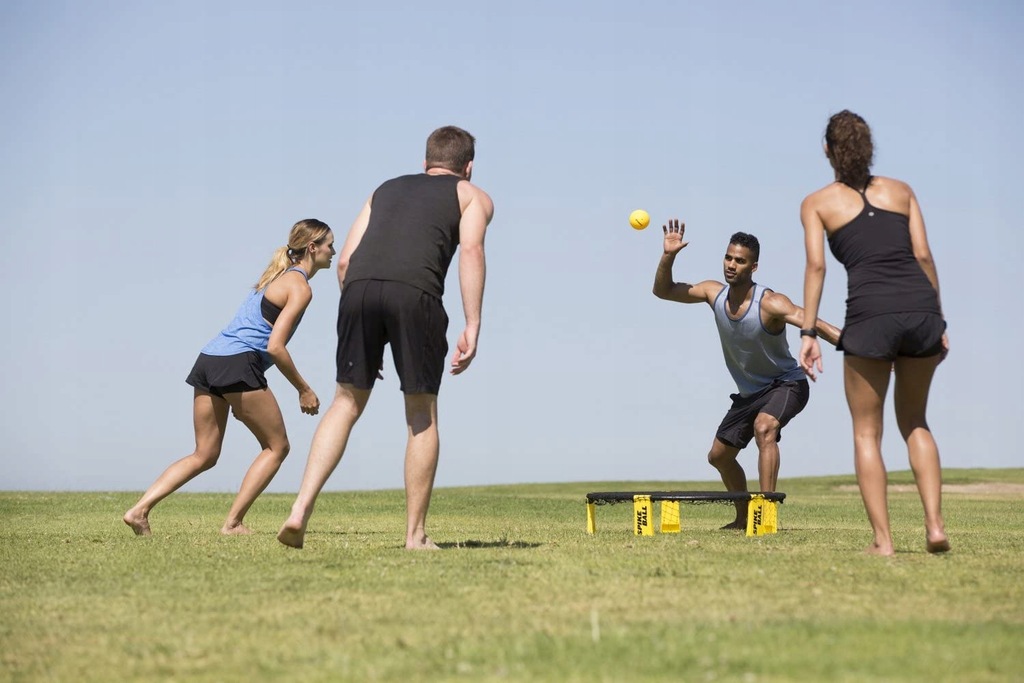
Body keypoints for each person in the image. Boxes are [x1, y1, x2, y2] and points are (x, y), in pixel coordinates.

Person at [277, 126, 495, 550]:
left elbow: (343, 264)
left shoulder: (384, 189)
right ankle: (415, 536)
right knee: (421, 414)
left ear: (426, 162)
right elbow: (471, 251)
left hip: (358, 290)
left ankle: (300, 510)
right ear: (467, 167)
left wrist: (367, 325)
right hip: (416, 295)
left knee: (345, 402)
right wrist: (473, 323)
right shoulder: (472, 196)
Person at [799, 110, 950, 556]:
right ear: (869, 147)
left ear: (827, 149)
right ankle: (935, 526)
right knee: (916, 421)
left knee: (867, 432)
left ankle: (883, 542)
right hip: (921, 309)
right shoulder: (902, 191)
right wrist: (938, 320)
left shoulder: (817, 203)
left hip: (869, 315)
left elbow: (816, 266)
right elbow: (923, 256)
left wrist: (808, 330)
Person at [123, 219, 335, 536]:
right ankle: (233, 524)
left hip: (209, 361)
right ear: (312, 248)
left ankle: (138, 511)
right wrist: (303, 389)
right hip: (238, 364)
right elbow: (275, 347)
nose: (334, 251)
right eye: (330, 244)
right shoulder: (300, 286)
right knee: (277, 447)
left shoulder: (274, 276)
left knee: (204, 453)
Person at [653, 221, 841, 528]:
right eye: (728, 257)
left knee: (764, 427)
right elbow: (663, 291)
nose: (731, 265)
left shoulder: (770, 302)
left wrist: (862, 348)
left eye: (739, 261)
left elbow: (816, 322)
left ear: (753, 266)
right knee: (719, 457)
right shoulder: (713, 293)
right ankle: (742, 519)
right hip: (749, 393)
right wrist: (668, 255)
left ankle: (765, 517)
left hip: (787, 384)